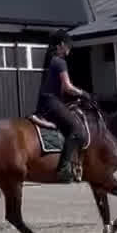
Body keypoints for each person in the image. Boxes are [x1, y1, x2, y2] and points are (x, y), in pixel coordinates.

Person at [36, 31, 88, 182]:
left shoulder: (50, 60)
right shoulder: (60, 62)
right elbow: (67, 87)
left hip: (46, 102)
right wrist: (83, 93)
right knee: (77, 129)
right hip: (51, 102)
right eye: (68, 45)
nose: (69, 48)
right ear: (61, 45)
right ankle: (63, 169)